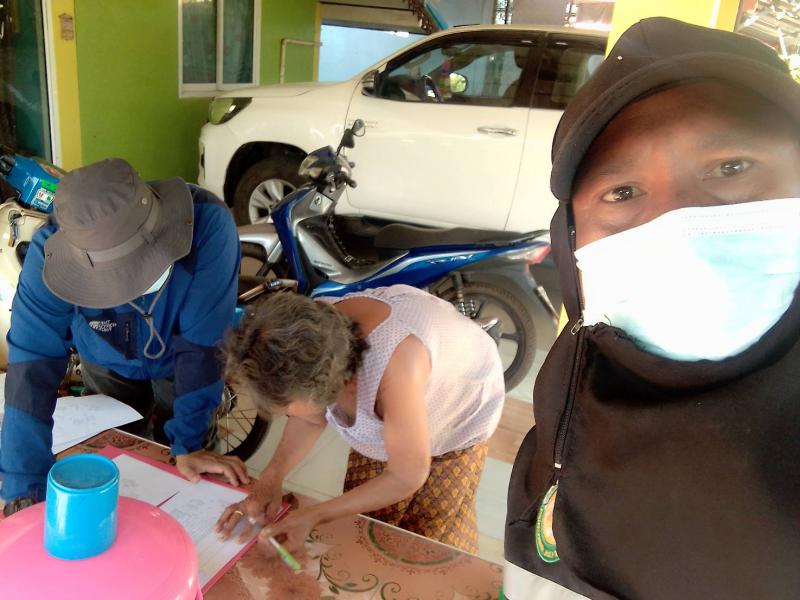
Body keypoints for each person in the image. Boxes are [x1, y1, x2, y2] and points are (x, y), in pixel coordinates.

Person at [504, 17, 800, 600]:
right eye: (622, 193)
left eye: (731, 167)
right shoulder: (570, 387)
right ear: (571, 239)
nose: (677, 223)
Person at [0, 158, 248, 516]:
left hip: (181, 361)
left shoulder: (208, 224)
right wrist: (24, 487)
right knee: (119, 455)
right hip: (104, 354)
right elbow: (30, 370)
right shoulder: (47, 255)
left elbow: (203, 348)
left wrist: (190, 444)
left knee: (189, 472)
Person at [215, 285, 504, 554]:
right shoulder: (310, 339)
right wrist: (271, 478)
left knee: (429, 536)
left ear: (321, 387)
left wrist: (315, 515)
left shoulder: (396, 367)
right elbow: (310, 418)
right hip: (399, 390)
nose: (287, 415)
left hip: (459, 408)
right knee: (369, 524)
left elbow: (407, 475)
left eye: (286, 408)